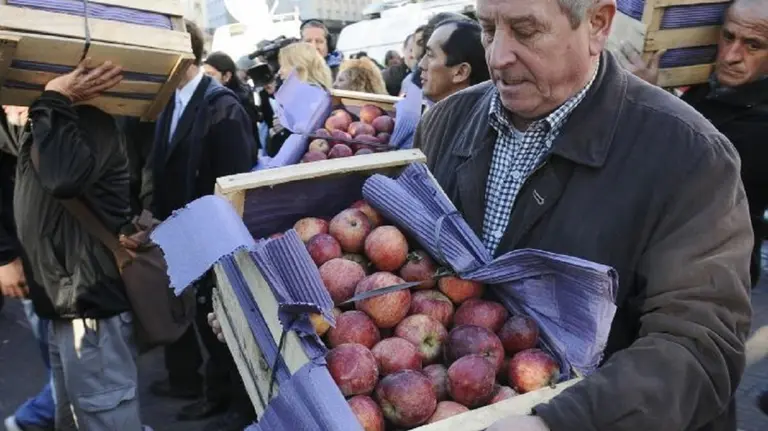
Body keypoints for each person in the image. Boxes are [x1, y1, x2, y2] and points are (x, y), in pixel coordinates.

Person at [415, 0, 752, 430]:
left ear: (597, 24)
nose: (497, 56)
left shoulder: (690, 156)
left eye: (526, 30)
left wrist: (561, 422)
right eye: (487, 28)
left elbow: (699, 346)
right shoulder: (446, 121)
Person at [10, 58, 150, 430]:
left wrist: (54, 98)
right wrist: (47, 104)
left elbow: (62, 180)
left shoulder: (92, 124)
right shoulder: (46, 123)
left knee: (107, 418)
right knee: (71, 418)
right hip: (61, 306)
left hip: (90, 311)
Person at [144, 20, 256, 431]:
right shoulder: (168, 101)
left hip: (213, 241)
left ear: (178, 52)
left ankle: (232, 408)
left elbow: (234, 184)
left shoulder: (222, 105)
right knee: (200, 321)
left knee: (219, 322)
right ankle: (213, 395)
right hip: (183, 235)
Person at [623, 0, 768, 292]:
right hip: (659, 264)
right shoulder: (707, 89)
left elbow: (683, 170)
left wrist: (646, 98)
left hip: (708, 281)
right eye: (727, 37)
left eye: (753, 46)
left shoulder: (761, 125)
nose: (731, 56)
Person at [1, 106, 56, 431]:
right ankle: (31, 420)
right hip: (30, 258)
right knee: (65, 356)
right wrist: (5, 257)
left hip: (63, 257)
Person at [266, 42, 333, 157]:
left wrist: (283, 130)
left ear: (299, 67)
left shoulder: (308, 98)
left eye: (283, 65)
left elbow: (293, 150)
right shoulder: (317, 95)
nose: (279, 71)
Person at [204, 51, 262, 161]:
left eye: (210, 75)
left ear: (226, 76)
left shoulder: (234, 103)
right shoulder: (211, 98)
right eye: (203, 74)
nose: (205, 79)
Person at [418, 19, 489, 104]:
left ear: (460, 72)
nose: (421, 64)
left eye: (430, 55)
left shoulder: (477, 116)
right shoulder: (442, 115)